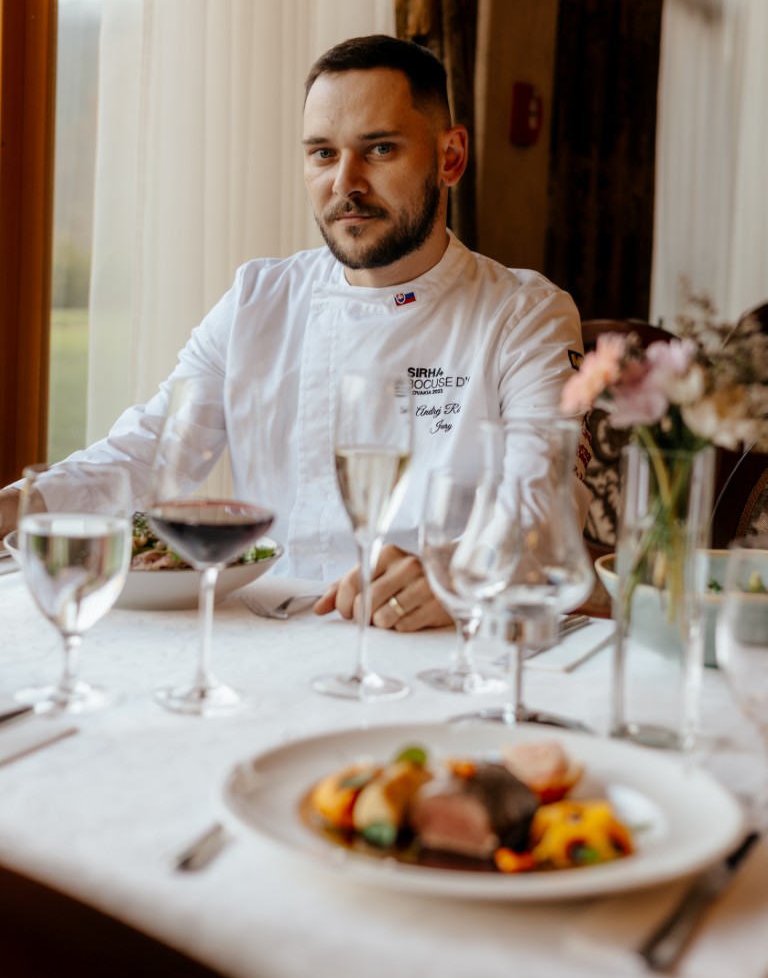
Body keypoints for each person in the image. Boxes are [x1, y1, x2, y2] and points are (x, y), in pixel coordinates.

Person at [0, 34, 588, 630]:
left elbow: (546, 501)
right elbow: (148, 450)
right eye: (323, 154)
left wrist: (459, 574)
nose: (345, 183)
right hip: (262, 629)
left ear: (450, 157)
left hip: (430, 642)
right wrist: (17, 508)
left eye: (380, 149)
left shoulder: (527, 316)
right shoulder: (257, 299)